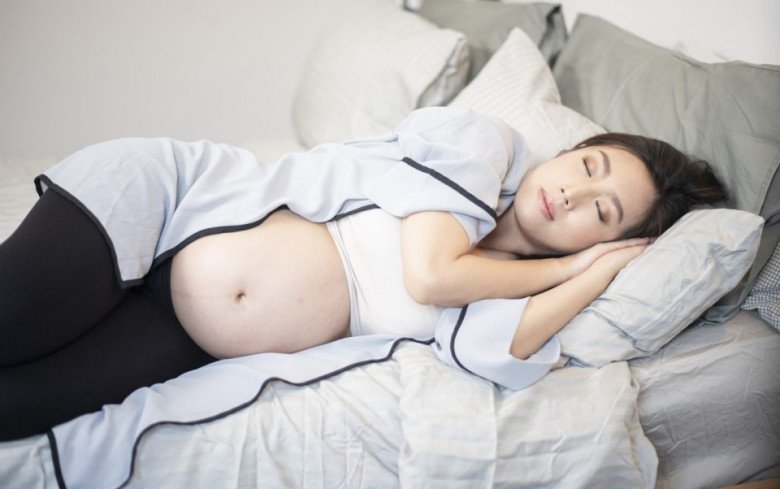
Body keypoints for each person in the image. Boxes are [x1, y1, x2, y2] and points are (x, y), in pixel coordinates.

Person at [0, 107, 726, 441]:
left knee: (15, 412)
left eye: (601, 213)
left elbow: (494, 349)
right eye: (588, 166)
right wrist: (568, 262)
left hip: (187, 333)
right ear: (569, 150)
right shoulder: (485, 145)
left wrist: (592, 277)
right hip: (164, 205)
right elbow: (431, 275)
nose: (572, 194)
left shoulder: (500, 281)